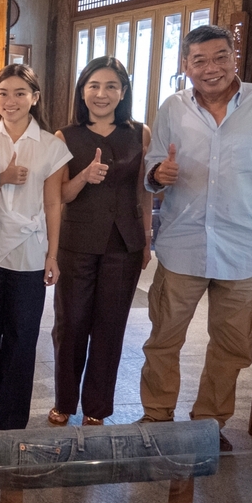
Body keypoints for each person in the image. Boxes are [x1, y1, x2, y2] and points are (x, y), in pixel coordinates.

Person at [139, 25, 252, 446]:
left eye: (220, 57)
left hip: (244, 246)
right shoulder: (172, 108)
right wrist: (160, 173)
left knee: (231, 346)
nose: (211, 68)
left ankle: (208, 424)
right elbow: (153, 167)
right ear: (186, 66)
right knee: (163, 339)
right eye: (200, 60)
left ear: (234, 57)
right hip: (182, 244)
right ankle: (156, 417)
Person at [50, 56, 152, 427]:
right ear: (82, 91)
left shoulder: (140, 133)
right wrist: (84, 176)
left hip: (123, 244)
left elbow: (144, 191)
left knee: (111, 327)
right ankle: (64, 402)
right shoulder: (66, 136)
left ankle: (98, 407)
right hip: (76, 241)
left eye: (111, 86)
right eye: (93, 85)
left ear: (123, 91)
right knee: (70, 324)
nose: (102, 93)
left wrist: (146, 239)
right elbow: (59, 195)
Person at [0, 64, 71, 435]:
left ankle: (11, 420)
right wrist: (0, 179)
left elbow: (53, 204)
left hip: (30, 251)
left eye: (19, 93)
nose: (10, 101)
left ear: (35, 98)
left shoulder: (51, 146)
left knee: (21, 337)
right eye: (2, 93)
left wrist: (52, 255)